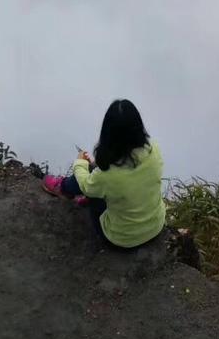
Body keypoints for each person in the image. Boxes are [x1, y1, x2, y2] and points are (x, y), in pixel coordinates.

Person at [42, 99, 165, 250]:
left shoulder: (107, 174)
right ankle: (70, 189)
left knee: (91, 186)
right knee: (102, 183)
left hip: (122, 239)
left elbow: (87, 185)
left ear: (108, 132)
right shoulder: (154, 150)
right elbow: (127, 175)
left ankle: (63, 187)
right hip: (155, 226)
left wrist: (80, 163)